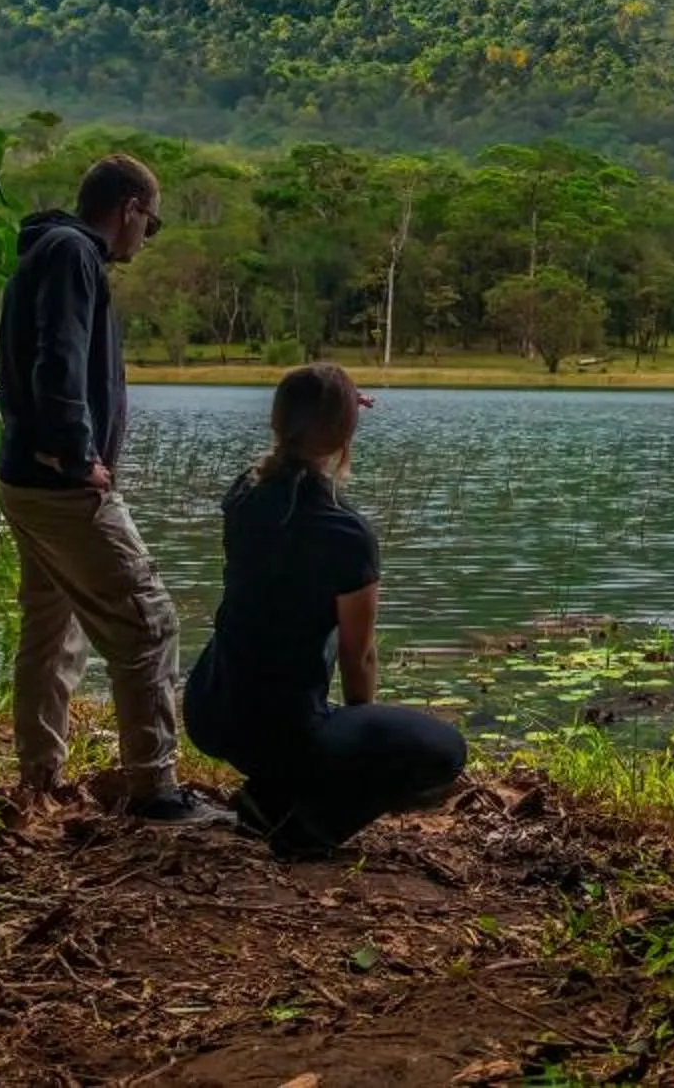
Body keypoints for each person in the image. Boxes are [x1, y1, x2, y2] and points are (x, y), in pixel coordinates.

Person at [0, 153, 227, 825]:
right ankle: (155, 792)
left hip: (25, 479)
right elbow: (57, 357)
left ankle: (39, 779)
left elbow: (25, 358)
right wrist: (74, 454)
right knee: (149, 624)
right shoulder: (72, 253)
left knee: (51, 630)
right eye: (148, 226)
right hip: (59, 486)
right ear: (128, 208)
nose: (144, 240)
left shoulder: (49, 251)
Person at [185, 362, 466, 857]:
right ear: (343, 434)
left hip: (211, 709)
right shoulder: (346, 533)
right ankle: (302, 826)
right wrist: (360, 745)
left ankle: (270, 793)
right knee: (444, 751)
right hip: (283, 732)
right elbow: (358, 660)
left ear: (277, 422)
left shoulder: (243, 494)